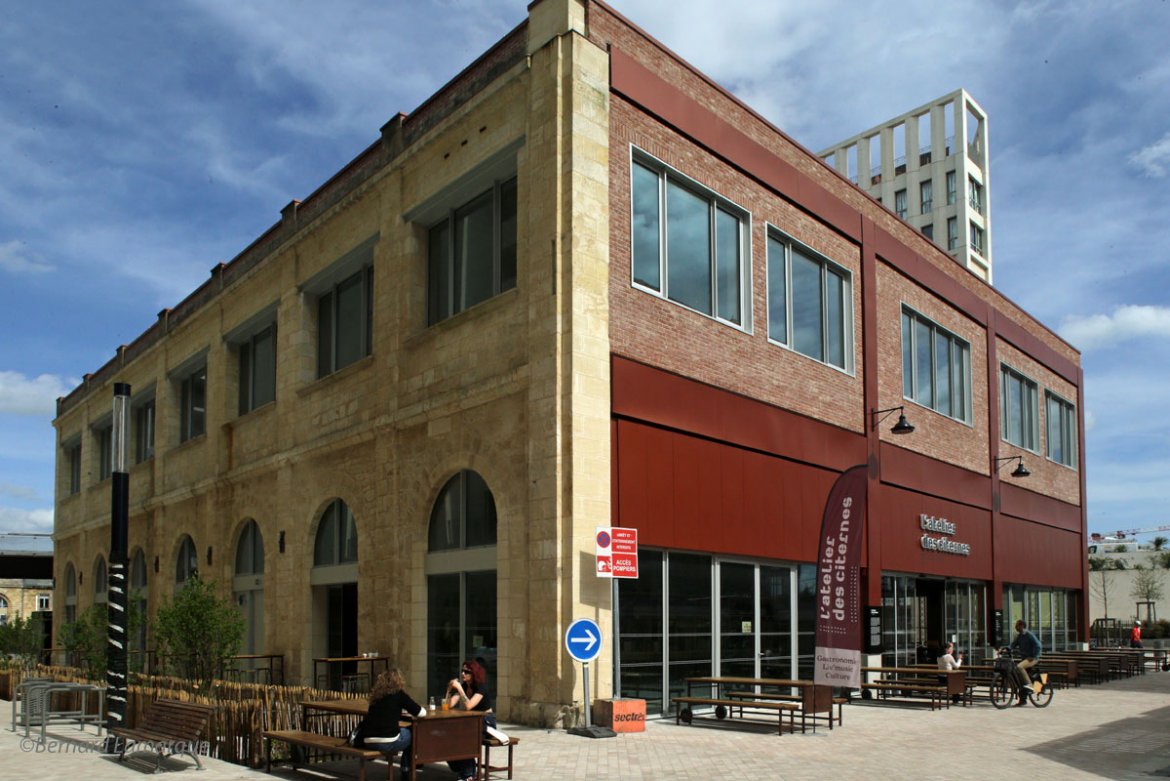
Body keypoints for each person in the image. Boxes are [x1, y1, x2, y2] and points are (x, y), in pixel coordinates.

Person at [362, 669, 425, 777]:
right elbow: (421, 713)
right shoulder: (399, 695)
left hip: (368, 741)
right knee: (412, 733)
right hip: (386, 742)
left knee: (403, 732)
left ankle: (410, 765)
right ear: (399, 681)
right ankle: (406, 769)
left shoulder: (376, 696)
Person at [445, 659, 495, 781]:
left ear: (474, 673)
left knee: (465, 737)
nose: (463, 674)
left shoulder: (481, 687)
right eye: (462, 671)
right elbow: (449, 705)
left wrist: (459, 689)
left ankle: (468, 774)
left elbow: (469, 706)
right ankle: (464, 769)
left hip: (486, 722)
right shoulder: (464, 686)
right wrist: (449, 690)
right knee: (450, 735)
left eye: (467, 671)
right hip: (472, 722)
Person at [1008, 619, 1041, 706]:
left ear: (1022, 626)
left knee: (1019, 667)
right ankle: (1023, 700)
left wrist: (1033, 656)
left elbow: (1038, 645)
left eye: (1017, 625)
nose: (1016, 627)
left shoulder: (1029, 635)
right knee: (1019, 676)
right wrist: (1006, 649)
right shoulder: (1019, 636)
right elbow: (1013, 645)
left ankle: (1029, 685)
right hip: (1025, 658)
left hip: (1032, 659)